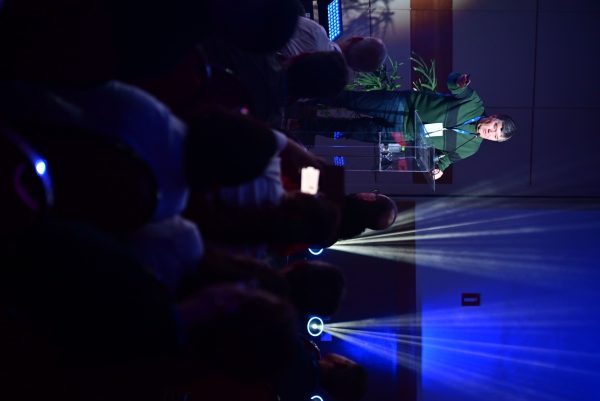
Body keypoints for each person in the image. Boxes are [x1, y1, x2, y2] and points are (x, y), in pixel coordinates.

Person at [312, 73, 517, 179]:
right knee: (352, 101)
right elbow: (453, 82)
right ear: (494, 116)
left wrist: (439, 170)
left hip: (401, 135)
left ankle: (303, 124)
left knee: (349, 131)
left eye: (495, 136)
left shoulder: (471, 148)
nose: (491, 132)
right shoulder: (474, 103)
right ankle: (307, 92)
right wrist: (459, 81)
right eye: (495, 126)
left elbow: (446, 159)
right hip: (402, 105)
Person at [279, 16, 387, 73]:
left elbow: (276, 14)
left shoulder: (316, 33)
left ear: (355, 38)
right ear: (356, 70)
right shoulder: (318, 89)